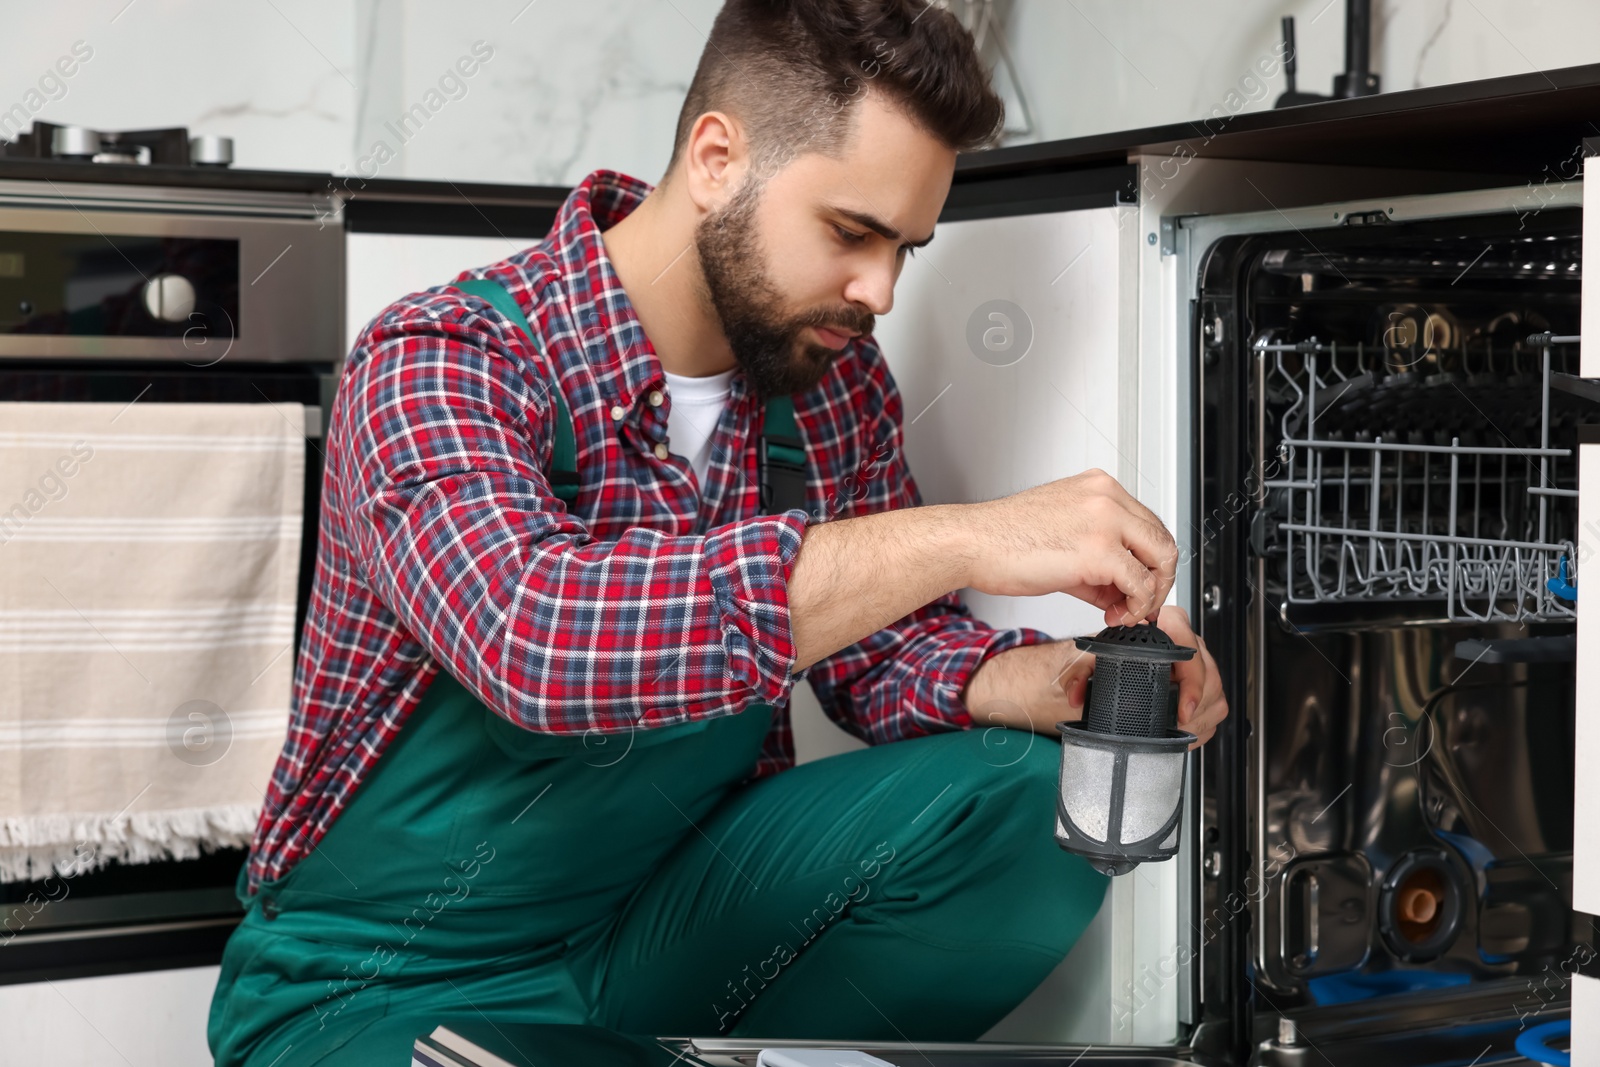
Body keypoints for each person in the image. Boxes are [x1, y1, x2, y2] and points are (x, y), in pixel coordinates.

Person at [207, 1, 1228, 1063]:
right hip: (381, 982)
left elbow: (877, 648)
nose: (877, 288)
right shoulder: (443, 360)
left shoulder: (830, 389)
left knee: (1024, 801)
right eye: (849, 231)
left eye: (904, 248)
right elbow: (539, 638)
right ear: (715, 157)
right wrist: (967, 537)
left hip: (661, 931)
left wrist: (1049, 681)